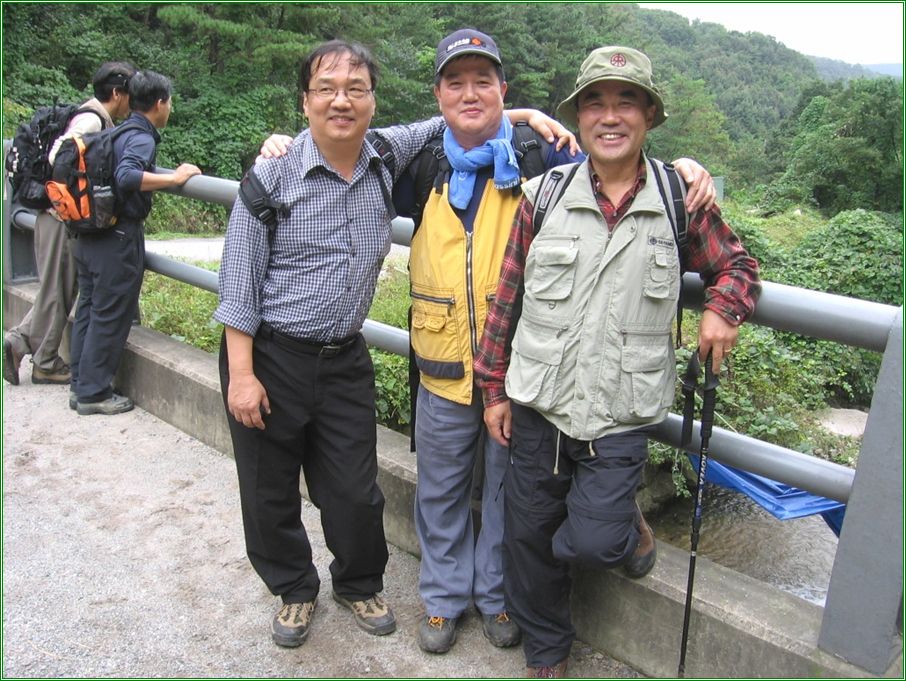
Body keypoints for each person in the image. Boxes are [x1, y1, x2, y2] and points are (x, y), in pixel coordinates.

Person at [260, 31, 716, 656]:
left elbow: (614, 165)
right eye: (456, 82)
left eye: (484, 82)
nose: (469, 94)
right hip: (442, 362)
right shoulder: (418, 163)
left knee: (507, 493)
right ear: (438, 95)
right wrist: (286, 145)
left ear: (504, 88)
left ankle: (498, 595)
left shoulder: (539, 152)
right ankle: (443, 599)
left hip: (518, 369)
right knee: (441, 487)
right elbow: (346, 143)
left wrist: (685, 169)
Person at [218, 40, 570, 651]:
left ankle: (358, 584)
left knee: (356, 491)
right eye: (326, 89)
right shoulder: (272, 174)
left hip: (346, 356)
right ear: (304, 101)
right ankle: (294, 589)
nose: (342, 100)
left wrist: (524, 115)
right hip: (272, 354)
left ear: (373, 101)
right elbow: (238, 286)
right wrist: (242, 375)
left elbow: (460, 115)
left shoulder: (385, 153)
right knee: (268, 490)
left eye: (355, 89)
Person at [473, 46, 761, 678]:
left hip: (620, 413)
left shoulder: (679, 198)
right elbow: (507, 296)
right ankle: (548, 649)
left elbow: (737, 266)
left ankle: (623, 526)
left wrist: (723, 309)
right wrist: (492, 389)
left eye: (626, 102)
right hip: (541, 402)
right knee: (526, 539)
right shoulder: (544, 195)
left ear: (649, 116)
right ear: (578, 117)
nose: (610, 117)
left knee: (594, 543)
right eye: (595, 103)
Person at [70, 70, 200, 415]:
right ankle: (94, 394)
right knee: (110, 315)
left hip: (92, 235)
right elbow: (127, 176)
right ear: (159, 103)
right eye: (169, 102)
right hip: (117, 236)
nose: (169, 108)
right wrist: (173, 178)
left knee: (89, 308)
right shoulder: (141, 137)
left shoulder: (119, 130)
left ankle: (80, 385)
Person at [3, 62, 135, 388]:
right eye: (130, 94)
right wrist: (73, 198)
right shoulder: (91, 120)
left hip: (56, 215)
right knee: (58, 291)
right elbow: (58, 158)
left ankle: (18, 342)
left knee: (60, 288)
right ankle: (45, 362)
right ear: (117, 93)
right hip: (60, 217)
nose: (133, 101)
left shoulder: (93, 116)